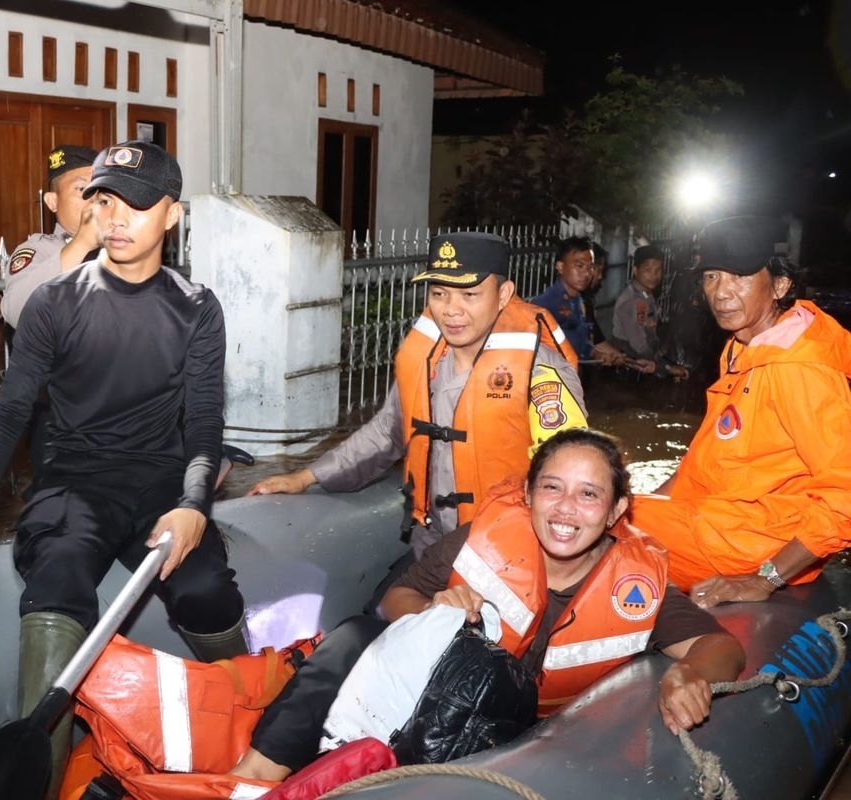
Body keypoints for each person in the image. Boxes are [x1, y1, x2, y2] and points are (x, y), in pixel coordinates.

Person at [0, 140, 247, 794]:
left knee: (206, 591)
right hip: (72, 487)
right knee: (57, 582)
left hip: (158, 489)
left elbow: (204, 420)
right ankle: (43, 778)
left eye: (137, 205)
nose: (116, 218)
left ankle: (251, 708)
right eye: (105, 200)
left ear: (170, 215)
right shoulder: (55, 303)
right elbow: (9, 415)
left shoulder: (197, 307)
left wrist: (194, 505)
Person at [231, 428, 745, 781]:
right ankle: (252, 777)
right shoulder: (485, 544)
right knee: (355, 634)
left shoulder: (634, 589)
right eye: (552, 488)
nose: (566, 509)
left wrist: (691, 673)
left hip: (531, 743)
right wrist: (435, 609)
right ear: (528, 494)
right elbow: (394, 599)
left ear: (616, 511)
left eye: (589, 495)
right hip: (435, 697)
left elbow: (719, 646)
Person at [248, 232, 587, 561]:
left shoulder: (539, 371)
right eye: (439, 294)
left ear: (503, 295)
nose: (451, 310)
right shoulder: (428, 362)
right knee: (390, 608)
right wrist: (306, 477)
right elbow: (386, 432)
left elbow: (572, 470)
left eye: (469, 295)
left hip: (504, 548)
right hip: (433, 540)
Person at [630, 216, 851, 604]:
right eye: (712, 276)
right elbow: (707, 459)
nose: (722, 292)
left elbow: (845, 494)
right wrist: (651, 504)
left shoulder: (798, 368)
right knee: (589, 506)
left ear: (779, 286)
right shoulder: (744, 345)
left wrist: (764, 579)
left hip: (748, 546)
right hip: (722, 521)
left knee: (578, 521)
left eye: (740, 276)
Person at [0, 144, 102, 328]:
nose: (94, 200)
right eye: (81, 190)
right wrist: (82, 244)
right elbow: (18, 313)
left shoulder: (117, 248)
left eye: (99, 191)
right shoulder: (39, 251)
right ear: (53, 201)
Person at [530, 237, 625, 366]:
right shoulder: (546, 304)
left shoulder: (579, 302)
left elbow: (579, 343)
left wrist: (596, 354)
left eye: (590, 267)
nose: (586, 273)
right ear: (560, 266)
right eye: (579, 266)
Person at [611, 245, 688, 380]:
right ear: (635, 270)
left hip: (641, 363)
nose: (654, 276)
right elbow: (640, 348)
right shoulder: (634, 301)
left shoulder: (646, 295)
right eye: (648, 270)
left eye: (658, 270)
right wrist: (667, 368)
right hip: (631, 369)